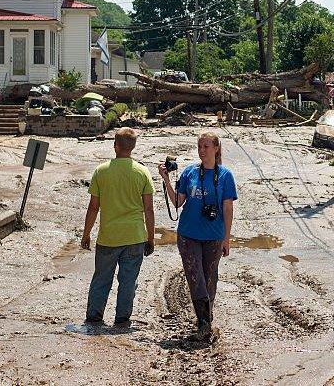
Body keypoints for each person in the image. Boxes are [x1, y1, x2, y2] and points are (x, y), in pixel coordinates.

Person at [158, 132, 237, 342]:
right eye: (199, 146)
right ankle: (203, 323)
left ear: (216, 149)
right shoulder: (189, 173)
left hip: (214, 236)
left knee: (210, 278)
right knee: (196, 278)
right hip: (188, 235)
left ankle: (206, 316)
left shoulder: (226, 176)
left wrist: (227, 239)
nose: (202, 151)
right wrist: (166, 180)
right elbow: (177, 202)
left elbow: (228, 208)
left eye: (206, 146)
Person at [82, 127, 155, 327]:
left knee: (101, 279)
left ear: (115, 146)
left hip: (108, 237)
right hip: (134, 236)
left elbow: (93, 207)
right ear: (133, 147)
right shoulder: (142, 172)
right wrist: (150, 238)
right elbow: (149, 209)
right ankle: (122, 319)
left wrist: (86, 234)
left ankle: (94, 317)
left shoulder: (101, 171)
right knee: (128, 281)